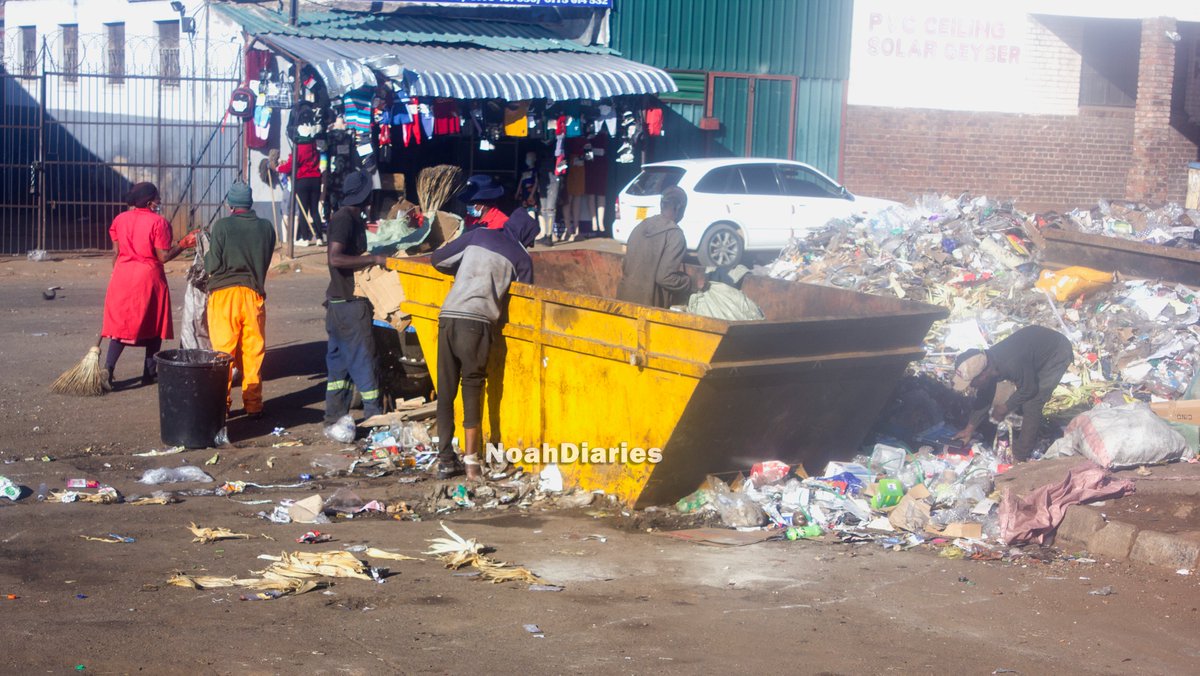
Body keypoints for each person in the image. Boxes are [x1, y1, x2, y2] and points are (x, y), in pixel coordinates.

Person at [429, 199, 538, 480]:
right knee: (473, 389)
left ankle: (444, 460)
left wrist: (464, 272)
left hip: (448, 316)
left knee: (446, 390)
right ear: (526, 236)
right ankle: (472, 464)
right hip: (477, 325)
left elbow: (437, 260)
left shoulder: (477, 235)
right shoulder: (522, 258)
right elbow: (525, 302)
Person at [101, 182, 194, 387]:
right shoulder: (158, 223)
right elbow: (163, 257)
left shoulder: (119, 220)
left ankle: (108, 367)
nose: (160, 201)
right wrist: (183, 244)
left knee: (121, 325)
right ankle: (149, 373)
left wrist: (117, 273)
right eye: (158, 197)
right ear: (150, 201)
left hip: (122, 276)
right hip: (148, 278)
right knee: (154, 323)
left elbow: (115, 253)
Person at [324, 170, 389, 436]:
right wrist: (374, 260)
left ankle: (334, 420)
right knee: (365, 364)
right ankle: (375, 423)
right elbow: (336, 259)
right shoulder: (343, 220)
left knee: (339, 367)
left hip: (338, 305)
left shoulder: (352, 218)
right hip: (350, 304)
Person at [204, 183, 277, 419]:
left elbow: (212, 265)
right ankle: (254, 405)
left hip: (223, 296)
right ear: (250, 203)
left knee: (223, 354)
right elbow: (263, 262)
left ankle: (220, 406)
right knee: (253, 352)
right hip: (252, 294)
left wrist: (205, 253)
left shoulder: (222, 226)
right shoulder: (266, 228)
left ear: (230, 204)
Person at [952, 325, 1074, 461]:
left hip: (1056, 352)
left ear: (983, 375)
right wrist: (969, 429)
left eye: (972, 383)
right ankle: (1026, 431)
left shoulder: (1010, 364)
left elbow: (1029, 389)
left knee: (1032, 403)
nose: (972, 387)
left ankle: (1020, 455)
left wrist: (1005, 407)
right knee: (1016, 399)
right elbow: (984, 397)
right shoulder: (988, 362)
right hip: (1033, 350)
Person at [615, 185, 691, 308]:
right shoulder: (675, 234)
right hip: (648, 308)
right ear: (679, 208)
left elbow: (626, 266)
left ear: (661, 205)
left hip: (622, 300)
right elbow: (665, 278)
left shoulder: (641, 226)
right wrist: (690, 282)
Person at [277, 139, 324, 246]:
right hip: (315, 180)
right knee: (314, 210)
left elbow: (290, 166)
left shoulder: (298, 148)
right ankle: (319, 238)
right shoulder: (315, 147)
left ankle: (305, 238)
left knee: (303, 210)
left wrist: (278, 168)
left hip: (302, 180)